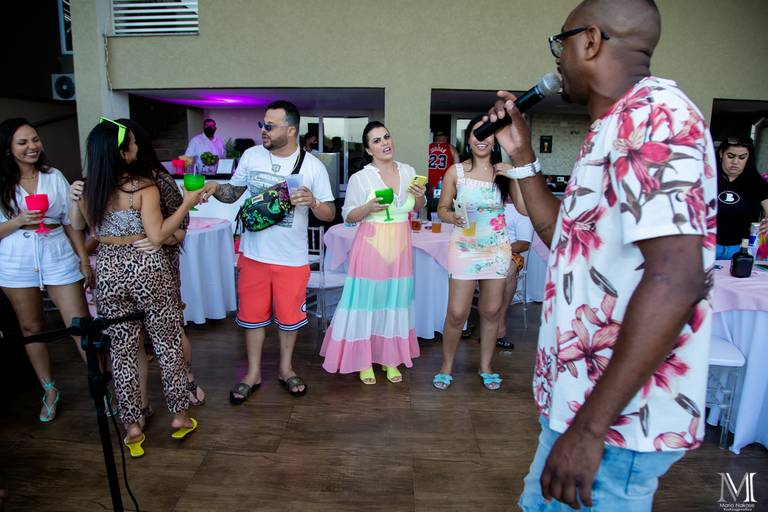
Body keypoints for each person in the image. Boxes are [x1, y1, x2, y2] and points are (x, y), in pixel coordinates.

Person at [488, 0, 717, 509]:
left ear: (590, 41)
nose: (557, 58)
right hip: (582, 407)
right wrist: (521, 154)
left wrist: (590, 430)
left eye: (561, 42)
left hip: (614, 425)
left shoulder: (657, 116)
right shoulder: (614, 125)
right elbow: (566, 238)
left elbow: (677, 279)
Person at [70, 118, 202, 457]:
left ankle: (132, 426)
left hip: (109, 271)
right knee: (168, 344)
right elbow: (157, 235)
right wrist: (187, 204)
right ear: (121, 152)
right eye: (131, 142)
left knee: (122, 351)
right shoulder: (143, 187)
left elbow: (78, 225)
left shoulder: (88, 189)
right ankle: (180, 416)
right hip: (148, 268)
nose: (137, 146)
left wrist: (75, 199)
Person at [200, 100, 335, 402]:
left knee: (289, 319)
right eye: (262, 124)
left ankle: (286, 369)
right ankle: (252, 373)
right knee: (252, 317)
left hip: (292, 259)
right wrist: (215, 188)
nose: (263, 130)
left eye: (270, 126)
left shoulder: (313, 166)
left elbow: (329, 213)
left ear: (291, 130)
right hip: (254, 255)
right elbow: (233, 192)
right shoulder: (251, 155)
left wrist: (313, 202)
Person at [320, 121, 425, 384]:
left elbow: (417, 206)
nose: (384, 143)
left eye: (386, 137)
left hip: (401, 248)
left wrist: (420, 195)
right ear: (368, 150)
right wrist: (368, 208)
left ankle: (390, 359)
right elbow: (348, 216)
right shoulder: (361, 178)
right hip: (371, 246)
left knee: (394, 301)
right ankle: (363, 360)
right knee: (366, 303)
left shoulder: (408, 171)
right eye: (376, 141)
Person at [0, 118, 90, 423]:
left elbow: (70, 221)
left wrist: (83, 259)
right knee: (31, 328)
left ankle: (103, 387)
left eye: (35, 140)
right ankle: (49, 390)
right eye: (22, 142)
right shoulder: (2, 182)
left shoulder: (53, 176)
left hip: (56, 252)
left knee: (79, 325)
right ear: (8, 148)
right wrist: (18, 220)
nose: (32, 147)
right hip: (15, 258)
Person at [432, 115, 513, 392]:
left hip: (496, 249)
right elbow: (442, 209)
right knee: (457, 313)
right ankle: (446, 366)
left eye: (488, 133)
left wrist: (516, 174)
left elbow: (524, 209)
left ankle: (486, 366)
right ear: (468, 138)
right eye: (477, 133)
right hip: (464, 248)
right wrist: (452, 217)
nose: (482, 139)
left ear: (495, 139)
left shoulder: (502, 172)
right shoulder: (456, 172)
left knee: (491, 311)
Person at [714, 135, 768, 259]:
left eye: (742, 157)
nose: (735, 162)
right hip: (707, 246)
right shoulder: (708, 177)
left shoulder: (756, 182)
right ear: (721, 153)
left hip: (740, 249)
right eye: (730, 156)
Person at [496, 182, 533, 349]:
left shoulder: (522, 212)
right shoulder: (490, 205)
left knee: (509, 270)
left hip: (511, 252)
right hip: (483, 250)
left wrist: (501, 249)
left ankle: (500, 320)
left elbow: (524, 243)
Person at [428, 130, 460, 195]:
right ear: (446, 137)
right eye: (437, 135)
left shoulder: (428, 147)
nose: (438, 137)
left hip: (430, 181)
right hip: (443, 182)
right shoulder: (451, 148)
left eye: (439, 135)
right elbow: (458, 168)